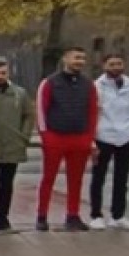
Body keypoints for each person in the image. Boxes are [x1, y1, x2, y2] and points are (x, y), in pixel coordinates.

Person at [36, 46, 99, 231]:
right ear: (65, 59)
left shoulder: (89, 85)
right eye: (76, 57)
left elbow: (93, 111)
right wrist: (45, 135)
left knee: (76, 179)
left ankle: (73, 215)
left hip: (79, 137)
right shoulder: (49, 83)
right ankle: (42, 215)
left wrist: (90, 137)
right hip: (55, 136)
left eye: (82, 58)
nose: (79, 61)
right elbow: (41, 110)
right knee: (48, 178)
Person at [0, 58, 35, 232]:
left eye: (3, 73)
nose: (0, 76)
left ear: (8, 73)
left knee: (7, 184)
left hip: (12, 145)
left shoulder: (20, 93)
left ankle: (3, 216)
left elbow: (29, 115)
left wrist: (23, 136)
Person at [90, 54, 129, 230]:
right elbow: (92, 112)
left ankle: (118, 215)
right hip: (103, 136)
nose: (116, 67)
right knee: (99, 177)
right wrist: (93, 136)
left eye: (119, 63)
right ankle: (96, 215)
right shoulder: (97, 87)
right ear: (104, 66)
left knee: (122, 178)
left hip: (126, 136)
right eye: (111, 64)